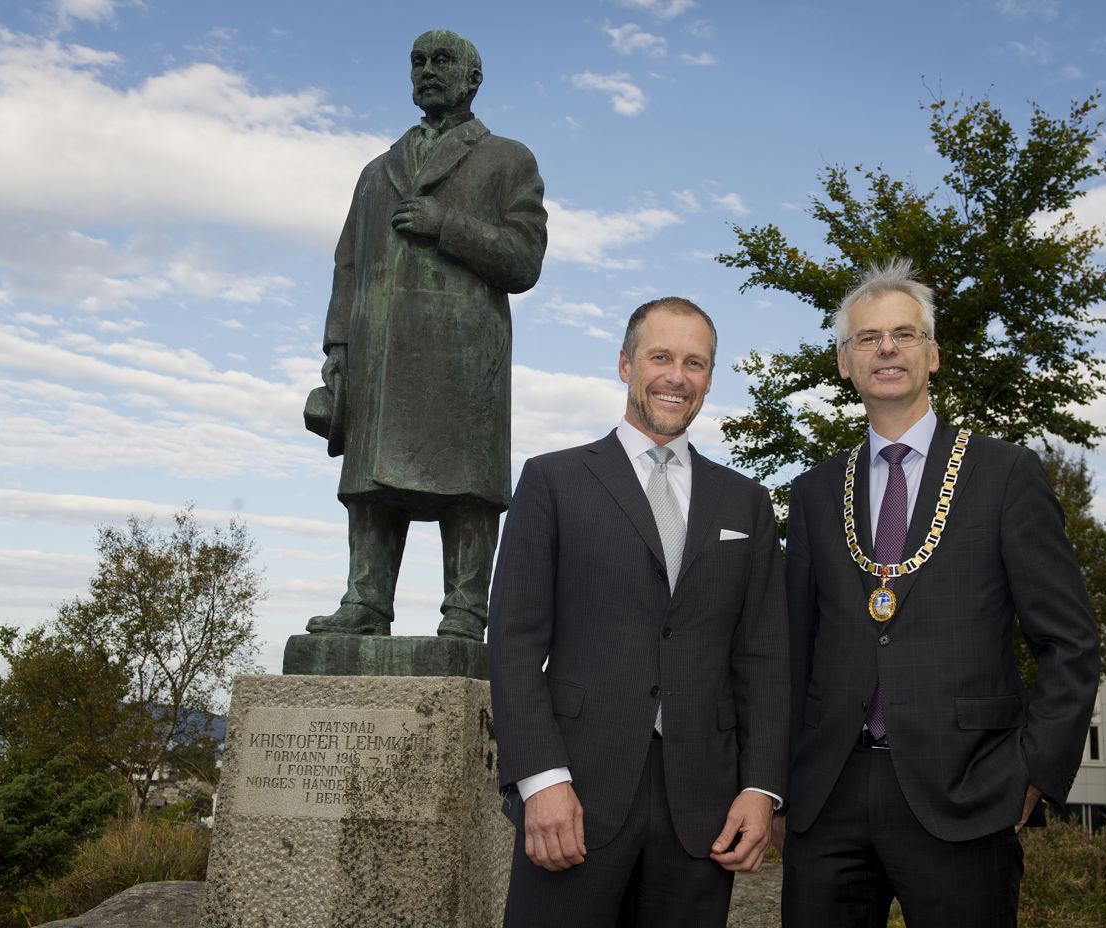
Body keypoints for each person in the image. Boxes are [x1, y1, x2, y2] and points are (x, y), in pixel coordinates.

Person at [778, 258, 1100, 927]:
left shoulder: (1006, 474)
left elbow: (1069, 642)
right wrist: (779, 785)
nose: (886, 349)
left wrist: (1034, 770)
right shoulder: (812, 492)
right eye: (867, 338)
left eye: (904, 334)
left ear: (933, 354)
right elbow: (792, 652)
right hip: (829, 795)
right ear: (844, 362)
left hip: (968, 790)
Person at [487, 297, 789, 928]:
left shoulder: (746, 502)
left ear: (710, 377)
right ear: (625, 364)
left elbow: (763, 657)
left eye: (695, 363)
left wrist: (761, 788)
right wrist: (540, 779)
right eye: (660, 357)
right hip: (574, 795)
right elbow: (513, 643)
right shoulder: (552, 482)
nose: (677, 376)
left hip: (702, 809)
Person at [306, 29, 547, 641]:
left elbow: (524, 261)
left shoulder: (507, 159)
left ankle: (466, 610)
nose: (428, 70)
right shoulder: (376, 170)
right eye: (418, 61)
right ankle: (365, 602)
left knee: (466, 484)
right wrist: (338, 350)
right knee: (371, 483)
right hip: (378, 354)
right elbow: (347, 265)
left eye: (442, 61)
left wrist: (447, 225)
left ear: (473, 79)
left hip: (464, 357)